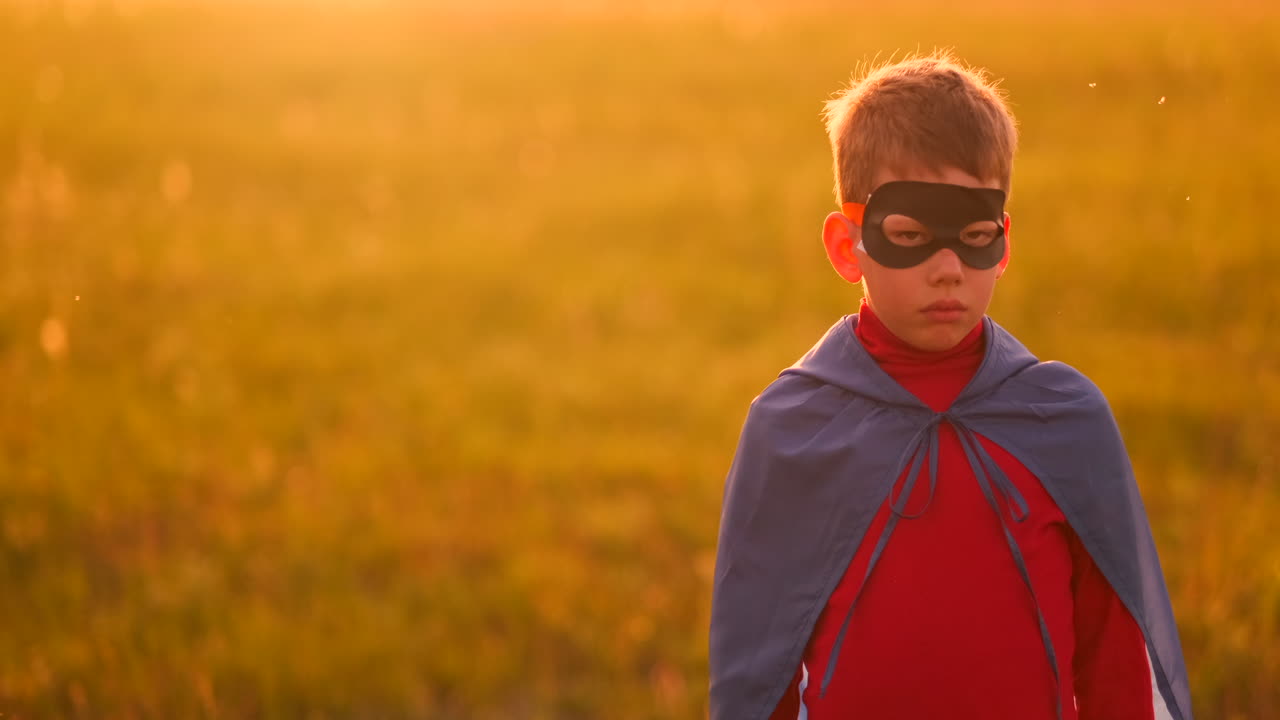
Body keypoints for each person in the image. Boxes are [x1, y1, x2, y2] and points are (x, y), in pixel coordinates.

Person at [708, 51, 1193, 720]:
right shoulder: (793, 429)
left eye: (973, 236)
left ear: (1004, 243)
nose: (947, 268)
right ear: (848, 247)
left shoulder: (1063, 422)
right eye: (910, 234)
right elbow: (754, 673)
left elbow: (1116, 660)